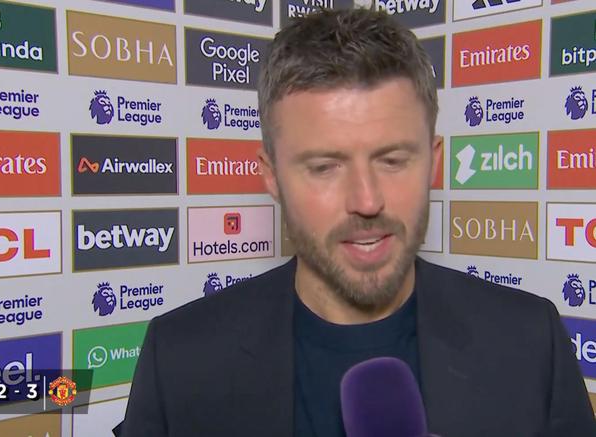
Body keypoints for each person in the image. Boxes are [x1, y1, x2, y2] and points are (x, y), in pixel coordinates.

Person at [115, 8, 595, 437]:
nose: (366, 201)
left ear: (433, 163)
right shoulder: (179, 361)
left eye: (392, 160)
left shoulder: (530, 342)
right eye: (325, 167)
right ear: (272, 176)